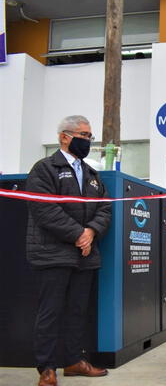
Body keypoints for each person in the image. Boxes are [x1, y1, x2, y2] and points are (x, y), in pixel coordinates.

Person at [25, 115, 112, 386]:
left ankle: (74, 361)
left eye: (89, 136)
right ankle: (46, 369)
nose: (88, 140)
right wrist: (78, 234)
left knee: (78, 310)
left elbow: (105, 207)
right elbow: (44, 209)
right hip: (52, 254)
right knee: (50, 311)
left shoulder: (92, 175)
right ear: (65, 136)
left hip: (84, 255)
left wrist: (91, 232)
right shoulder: (44, 169)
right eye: (84, 135)